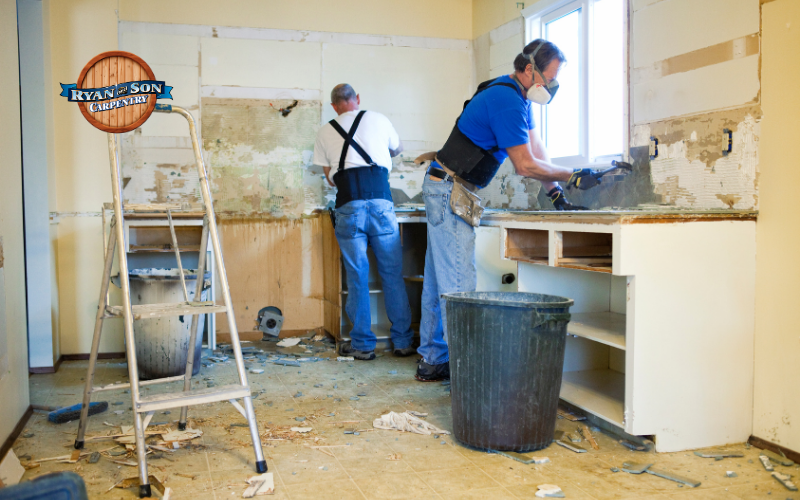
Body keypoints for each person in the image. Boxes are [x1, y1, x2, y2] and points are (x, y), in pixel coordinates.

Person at [415, 39, 603, 381]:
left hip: (446, 186)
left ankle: (433, 360)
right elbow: (525, 165)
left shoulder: (518, 98)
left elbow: (536, 150)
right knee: (459, 285)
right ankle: (466, 372)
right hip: (450, 189)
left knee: (439, 282)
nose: (553, 85)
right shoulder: (506, 100)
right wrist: (572, 174)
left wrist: (557, 193)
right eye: (551, 77)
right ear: (530, 70)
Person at [314, 84, 416, 360]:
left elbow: (329, 177)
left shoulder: (325, 131)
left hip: (349, 205)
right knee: (392, 275)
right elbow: (398, 149)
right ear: (357, 100)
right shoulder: (379, 118)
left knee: (357, 276)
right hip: (382, 204)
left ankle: (362, 346)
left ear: (334, 106)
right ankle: (404, 342)